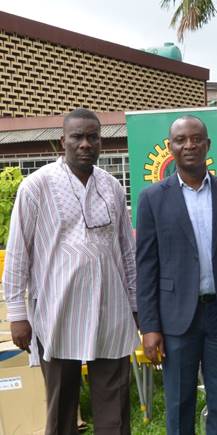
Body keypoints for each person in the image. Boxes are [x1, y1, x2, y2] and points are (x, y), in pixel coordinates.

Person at [4, 108, 138, 435]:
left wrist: (136, 305)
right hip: (57, 311)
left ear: (101, 143)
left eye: (93, 137)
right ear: (63, 140)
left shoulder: (113, 187)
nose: (85, 144)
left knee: (114, 408)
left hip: (111, 311)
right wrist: (17, 314)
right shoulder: (36, 186)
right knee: (61, 407)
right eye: (77, 137)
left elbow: (127, 252)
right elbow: (18, 252)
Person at [136, 115, 217, 435]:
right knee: (178, 401)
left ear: (207, 145)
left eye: (196, 138)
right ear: (170, 147)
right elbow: (146, 266)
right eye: (181, 140)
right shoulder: (152, 198)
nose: (189, 145)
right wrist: (149, 326)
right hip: (175, 318)